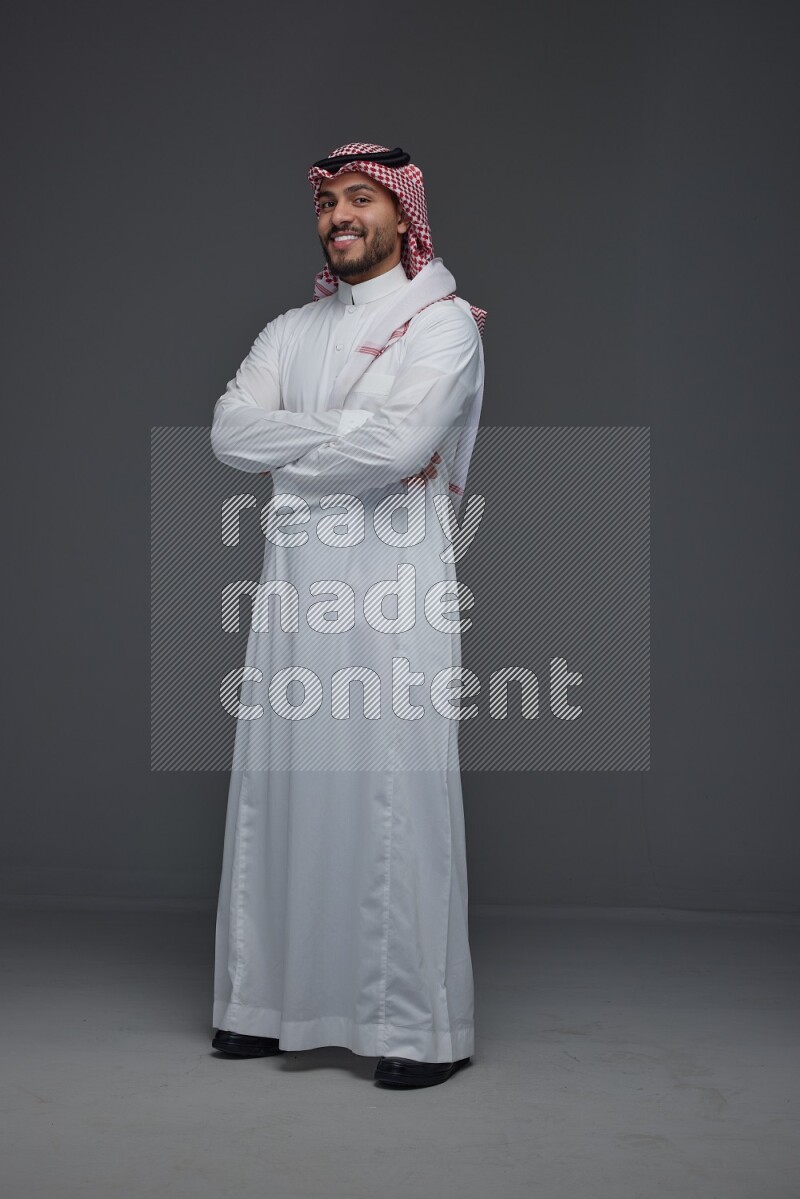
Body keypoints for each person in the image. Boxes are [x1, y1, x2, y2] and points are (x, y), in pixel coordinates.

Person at [209, 141, 486, 1089]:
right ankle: (260, 1005)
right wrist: (343, 444)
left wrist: (295, 458)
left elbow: (407, 442)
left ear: (403, 213)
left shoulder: (444, 328)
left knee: (391, 794)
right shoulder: (290, 330)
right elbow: (229, 429)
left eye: (359, 198)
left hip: (395, 586)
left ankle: (412, 1027)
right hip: (294, 591)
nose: (339, 216)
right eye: (327, 201)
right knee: (279, 786)